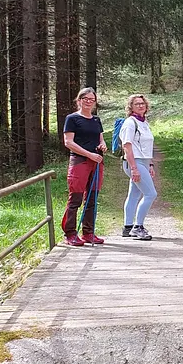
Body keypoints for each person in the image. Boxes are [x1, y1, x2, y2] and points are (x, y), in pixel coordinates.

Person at [61, 87, 107, 246]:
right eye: (85, 99)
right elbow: (68, 142)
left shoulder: (96, 120)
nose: (88, 102)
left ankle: (88, 232)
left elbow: (100, 139)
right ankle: (70, 233)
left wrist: (102, 146)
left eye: (91, 99)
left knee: (92, 198)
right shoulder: (72, 119)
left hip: (97, 162)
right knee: (75, 199)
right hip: (79, 162)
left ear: (95, 102)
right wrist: (89, 154)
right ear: (79, 100)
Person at [119, 94, 157, 241]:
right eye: (137, 104)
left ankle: (128, 227)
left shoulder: (144, 122)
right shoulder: (130, 123)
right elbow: (127, 146)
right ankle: (138, 227)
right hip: (134, 162)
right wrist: (134, 168)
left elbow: (146, 147)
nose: (141, 106)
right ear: (131, 107)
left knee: (134, 194)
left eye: (142, 103)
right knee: (150, 194)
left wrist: (150, 164)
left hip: (144, 162)